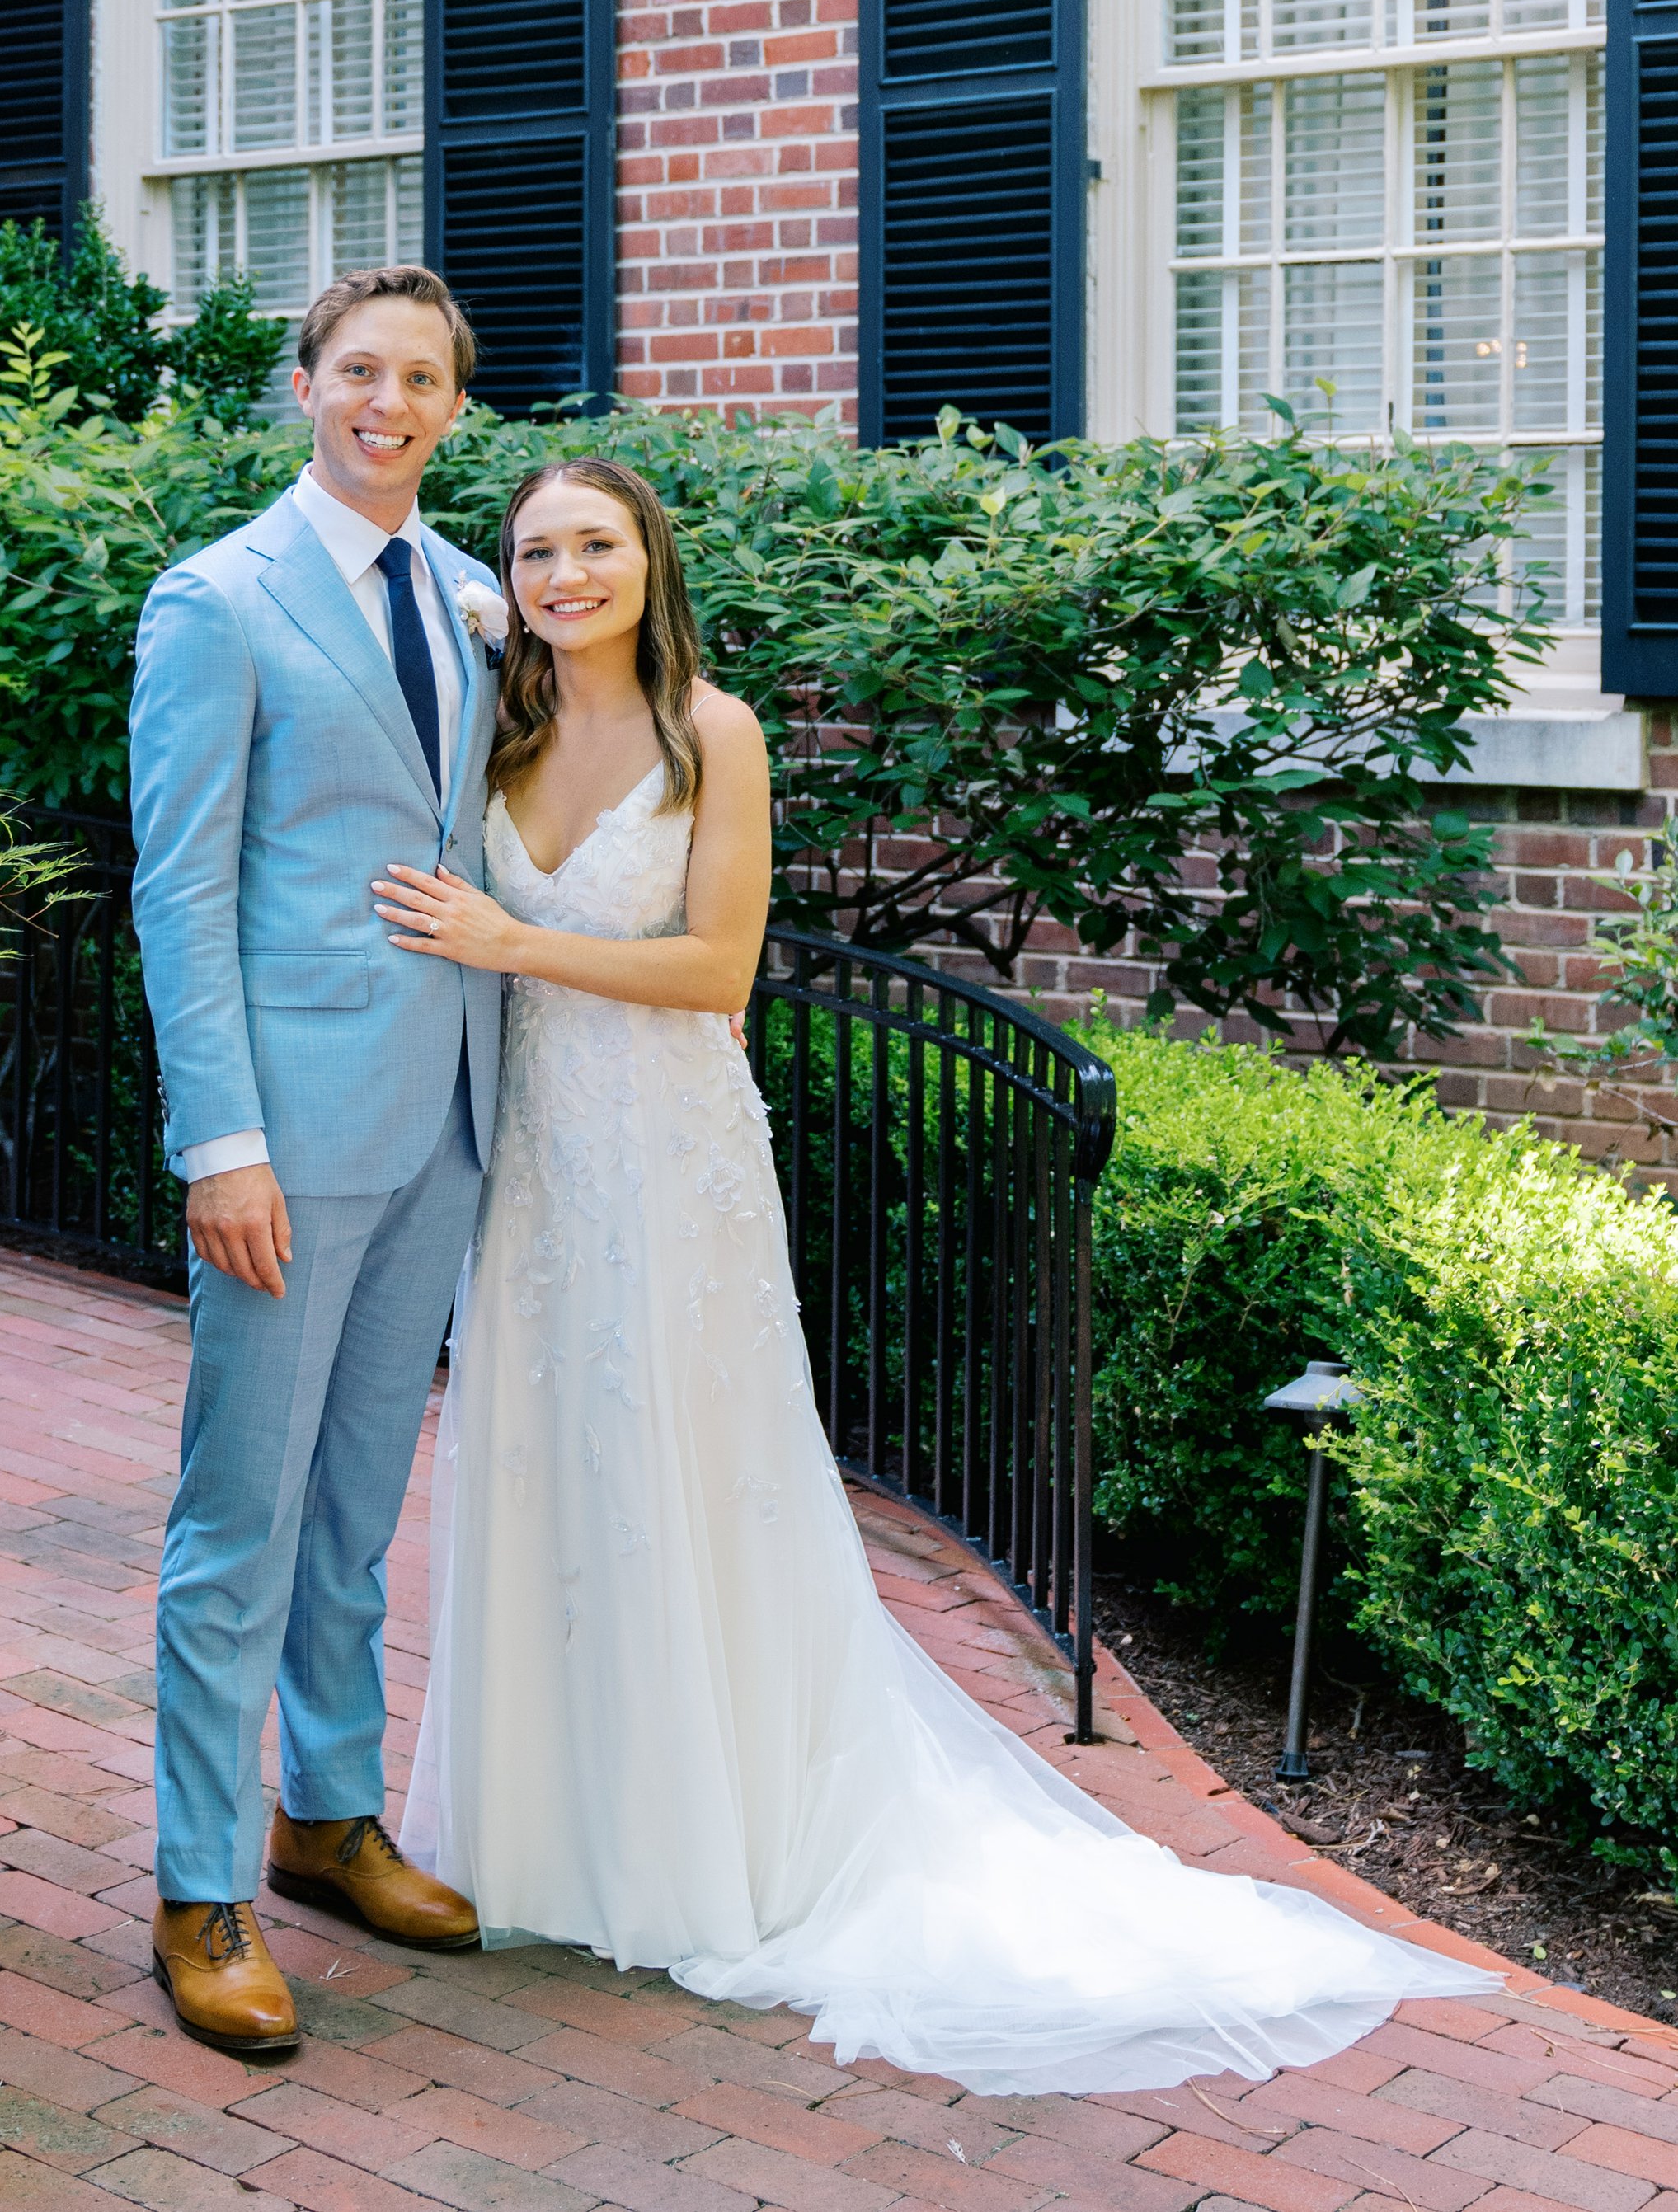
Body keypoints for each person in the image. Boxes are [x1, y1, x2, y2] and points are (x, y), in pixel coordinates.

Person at [377, 456, 1497, 2097]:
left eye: (593, 544)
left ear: (646, 558)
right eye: (536, 549)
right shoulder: (499, 728)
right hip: (528, 1167)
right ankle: (553, 1847)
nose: (562, 573)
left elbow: (715, 970)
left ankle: (711, 1852)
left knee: (686, 1482)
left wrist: (507, 940)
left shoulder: (718, 732)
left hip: (669, 1159)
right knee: (545, 1474)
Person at [128, 265, 510, 2056]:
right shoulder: (218, 599)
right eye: (360, 368)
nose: (389, 399)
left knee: (358, 1509)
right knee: (239, 1523)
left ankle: (325, 1815)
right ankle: (197, 1887)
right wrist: (222, 1143)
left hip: (444, 1118)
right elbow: (179, 888)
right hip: (284, 1134)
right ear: (304, 385)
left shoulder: (474, 593)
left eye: (420, 377)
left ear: (452, 407)